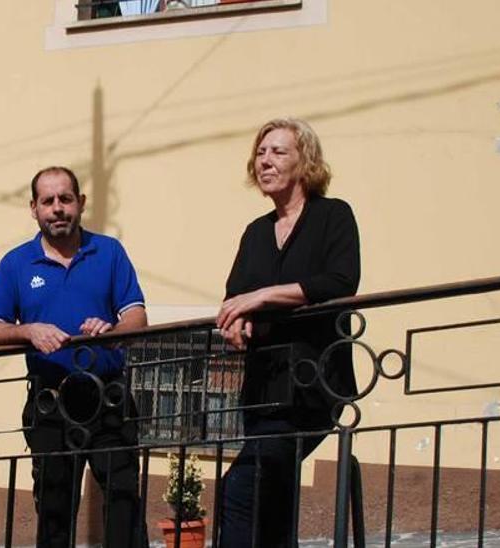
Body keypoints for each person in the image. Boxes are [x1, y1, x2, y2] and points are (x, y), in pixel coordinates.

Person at [0, 166, 148, 547]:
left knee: (124, 508)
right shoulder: (15, 263)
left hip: (110, 401)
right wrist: (28, 331)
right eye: (48, 201)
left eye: (65, 199)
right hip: (50, 406)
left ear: (80, 203)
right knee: (55, 518)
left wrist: (112, 332)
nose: (57, 208)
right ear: (34, 208)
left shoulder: (109, 251)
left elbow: (137, 317)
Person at [215, 118, 361, 547]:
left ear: (305, 161)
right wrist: (236, 323)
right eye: (261, 153)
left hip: (312, 385)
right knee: (273, 510)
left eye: (278, 152)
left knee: (240, 490)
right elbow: (233, 297)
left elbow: (339, 282)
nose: (265, 161)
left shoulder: (333, 216)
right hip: (263, 389)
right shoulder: (256, 232)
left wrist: (262, 297)